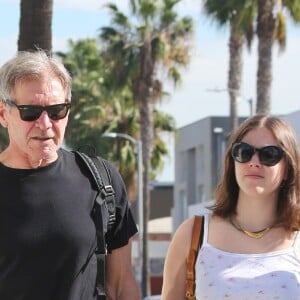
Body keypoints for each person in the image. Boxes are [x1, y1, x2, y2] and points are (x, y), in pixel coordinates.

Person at [0, 50, 140, 300]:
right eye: (30, 112)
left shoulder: (101, 179)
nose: (44, 124)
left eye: (56, 111)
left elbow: (120, 286)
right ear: (3, 114)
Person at [162, 114, 300, 299]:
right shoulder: (192, 234)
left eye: (269, 155)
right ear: (232, 160)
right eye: (244, 151)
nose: (254, 162)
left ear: (287, 169)